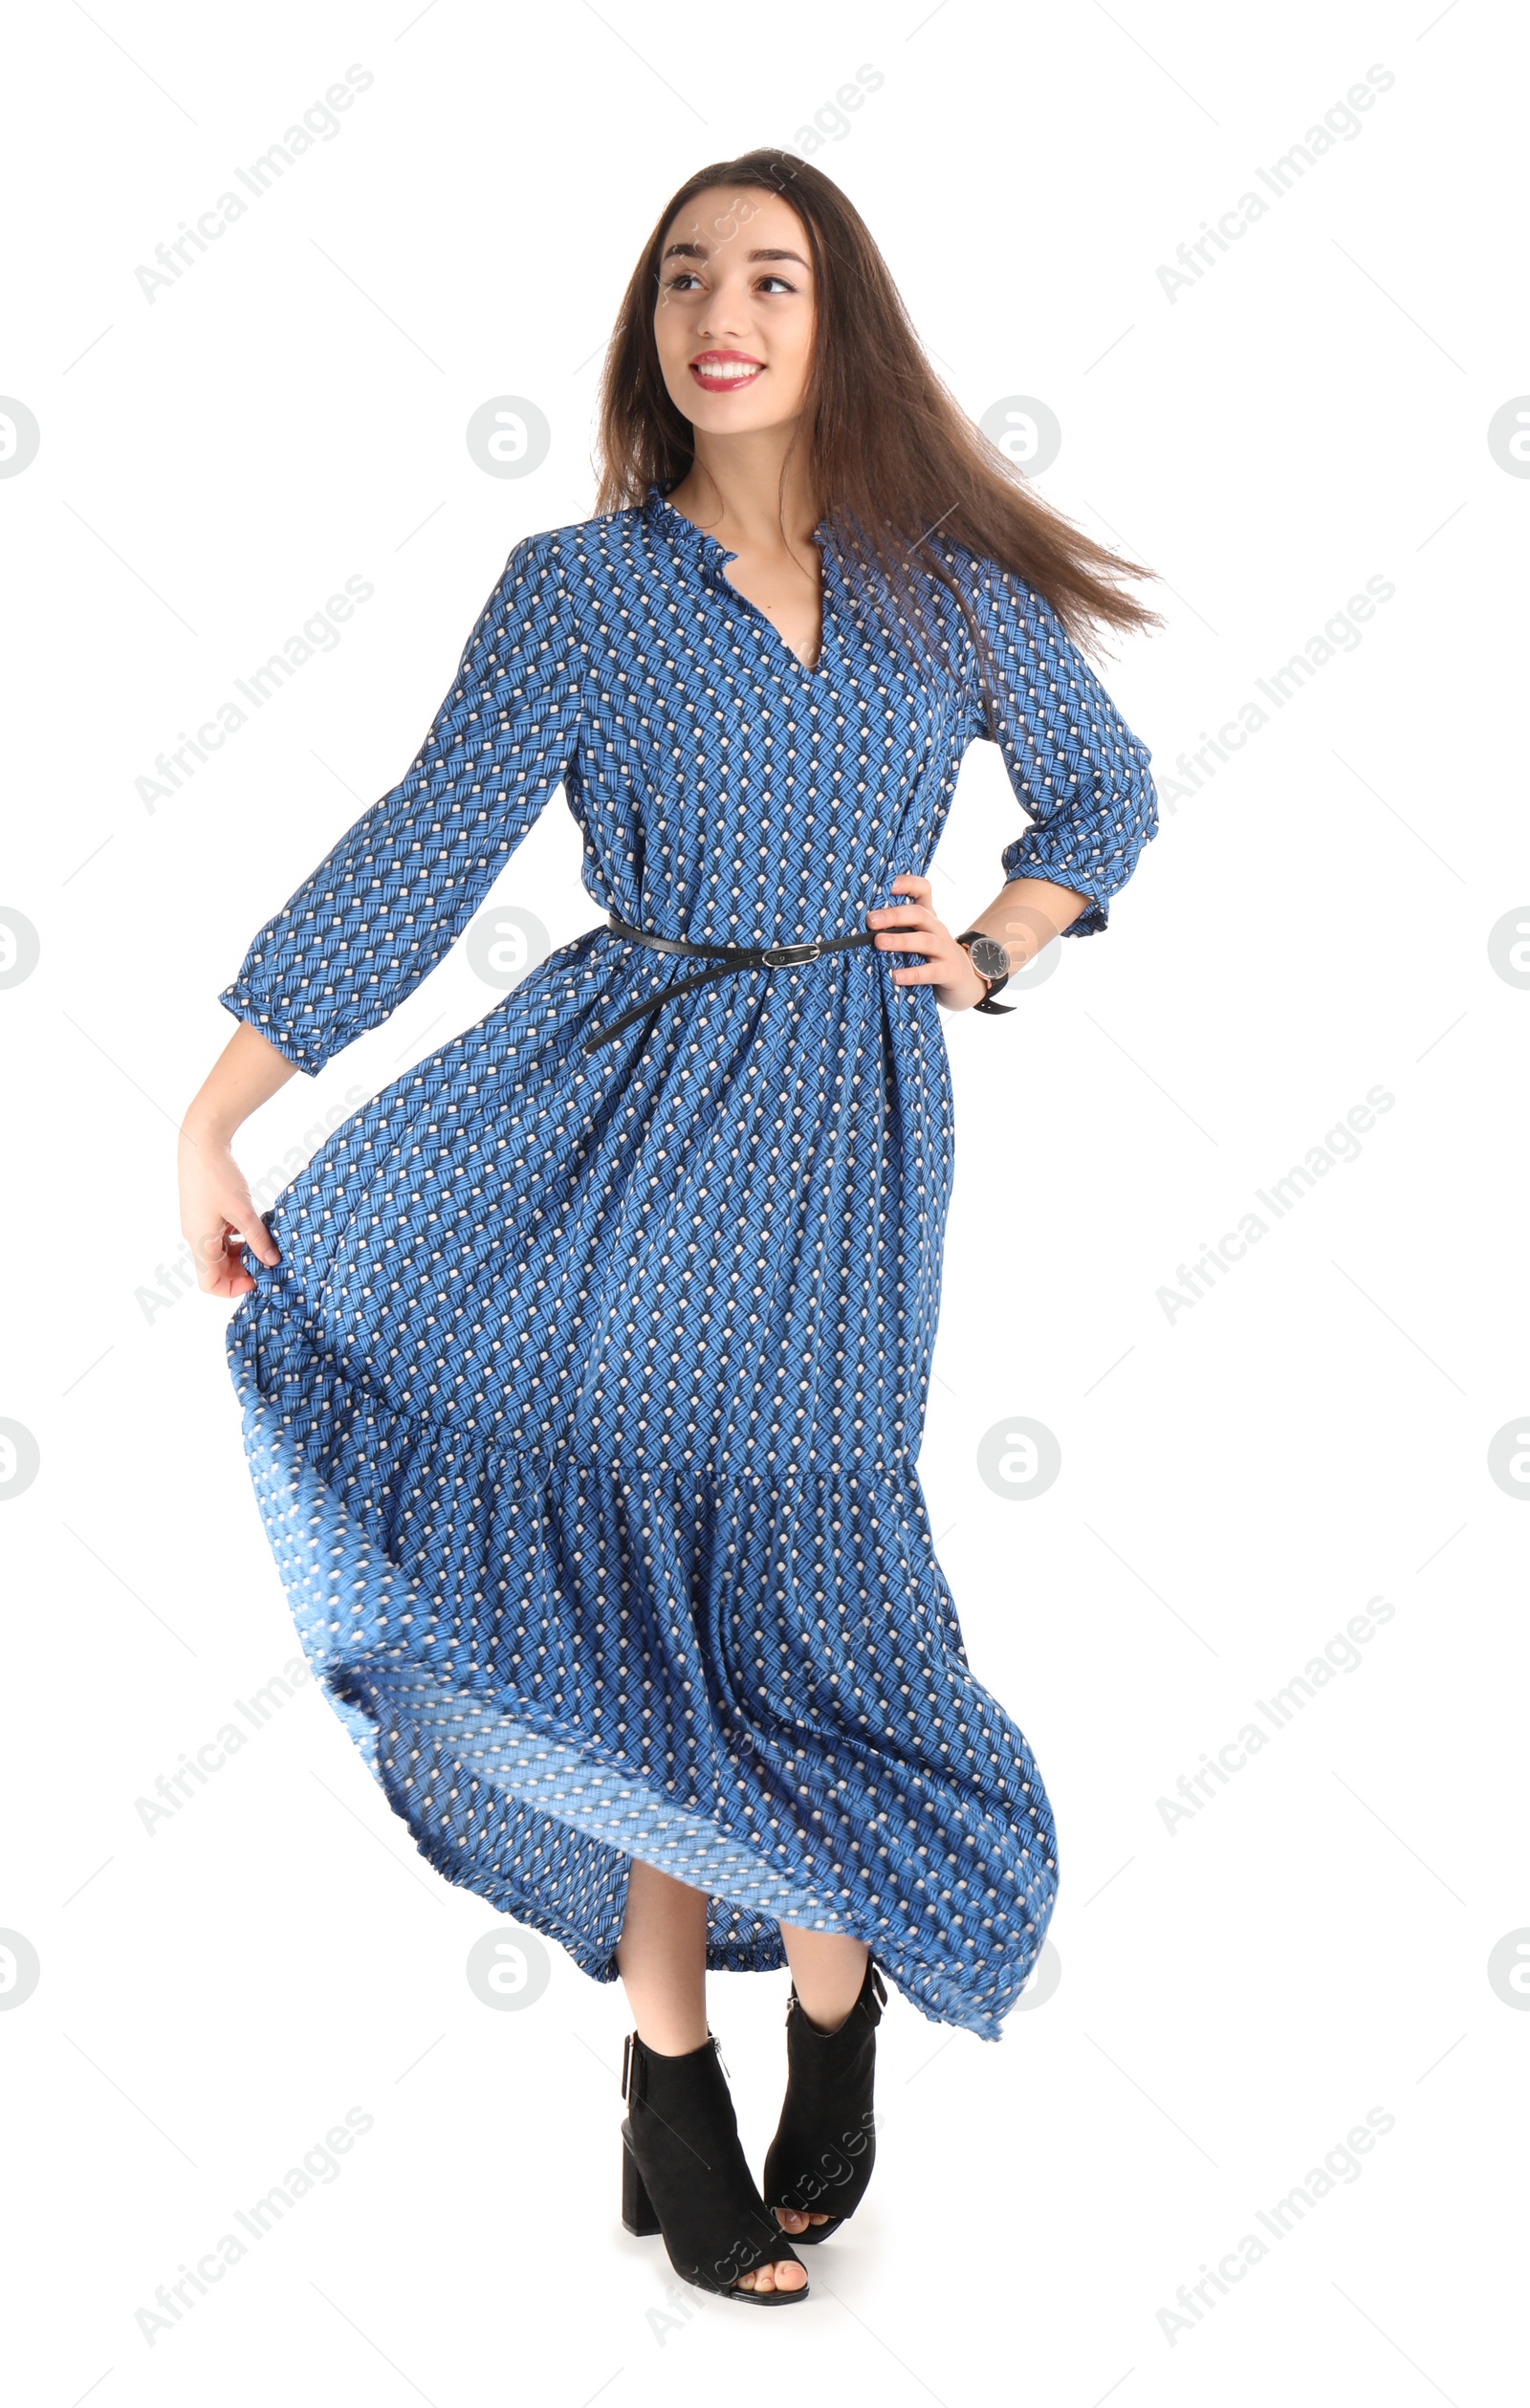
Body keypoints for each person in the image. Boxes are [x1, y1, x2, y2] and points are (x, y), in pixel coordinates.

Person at [179, 148, 1162, 2306]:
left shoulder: (941, 583)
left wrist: (989, 950)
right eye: (686, 278)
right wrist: (222, 1106)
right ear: (649, 327)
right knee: (649, 1592)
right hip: (613, 1116)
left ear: (838, 320)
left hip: (848, 1128)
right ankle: (664, 2074)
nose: (723, 311)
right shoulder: (576, 585)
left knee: (809, 1580)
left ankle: (835, 2003)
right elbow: (425, 840)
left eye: (773, 278)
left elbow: (1102, 791)